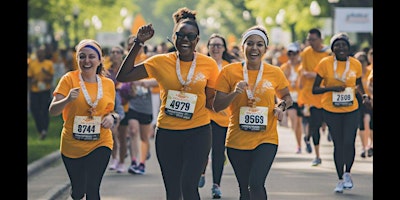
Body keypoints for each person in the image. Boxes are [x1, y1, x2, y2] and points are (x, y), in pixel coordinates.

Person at [116, 7, 219, 200]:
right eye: (181, 35)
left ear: (197, 40)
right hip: (168, 134)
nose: (185, 40)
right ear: (174, 37)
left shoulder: (209, 65)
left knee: (189, 188)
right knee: (173, 192)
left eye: (191, 36)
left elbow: (212, 101)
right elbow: (124, 75)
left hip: (198, 133)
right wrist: (138, 43)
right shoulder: (160, 62)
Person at [213, 25, 293, 200]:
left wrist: (280, 107)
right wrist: (235, 92)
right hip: (236, 141)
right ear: (242, 47)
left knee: (256, 184)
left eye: (259, 44)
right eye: (250, 43)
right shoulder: (229, 72)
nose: (254, 48)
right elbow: (217, 106)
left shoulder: (275, 72)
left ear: (265, 49)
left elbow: (287, 97)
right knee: (244, 190)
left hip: (266, 138)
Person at [48, 39, 116, 199]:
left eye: (92, 57)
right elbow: (53, 111)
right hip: (73, 145)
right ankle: (76, 192)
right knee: (78, 192)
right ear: (77, 59)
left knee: (93, 188)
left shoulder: (108, 84)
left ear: (100, 60)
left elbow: (110, 111)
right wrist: (66, 100)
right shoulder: (68, 79)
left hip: (101, 141)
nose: (87, 61)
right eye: (82, 56)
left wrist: (111, 118)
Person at [312, 32, 371, 193]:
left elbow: (358, 84)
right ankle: (339, 179)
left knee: (349, 142)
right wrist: (332, 88)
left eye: (344, 45)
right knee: (338, 144)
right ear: (333, 48)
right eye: (337, 45)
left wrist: (364, 96)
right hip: (331, 110)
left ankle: (347, 174)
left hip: (351, 109)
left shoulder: (356, 64)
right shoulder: (325, 64)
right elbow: (315, 89)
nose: (341, 48)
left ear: (348, 47)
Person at [198, 33, 234, 199]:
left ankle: (216, 185)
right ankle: (202, 172)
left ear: (224, 48)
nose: (216, 48)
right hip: (204, 114)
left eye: (219, 45)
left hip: (223, 116)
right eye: (212, 45)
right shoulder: (201, 64)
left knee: (219, 152)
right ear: (208, 47)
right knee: (203, 150)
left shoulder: (229, 67)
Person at [298, 28, 331, 166]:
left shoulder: (329, 53)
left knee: (330, 124)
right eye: (309, 39)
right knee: (314, 125)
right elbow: (304, 70)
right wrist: (307, 75)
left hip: (327, 95)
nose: (310, 42)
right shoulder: (306, 53)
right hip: (312, 95)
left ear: (320, 39)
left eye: (313, 39)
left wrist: (316, 76)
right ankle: (317, 155)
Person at [280, 42, 304, 154]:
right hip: (290, 98)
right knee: (294, 120)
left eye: (294, 53)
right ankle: (298, 145)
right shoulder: (284, 67)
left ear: (298, 53)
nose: (292, 56)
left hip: (302, 97)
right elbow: (281, 84)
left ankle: (303, 141)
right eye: (290, 54)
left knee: (299, 123)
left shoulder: (302, 66)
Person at [106, 45, 126, 170]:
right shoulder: (107, 71)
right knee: (113, 133)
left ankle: (122, 162)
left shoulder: (126, 69)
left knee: (122, 136)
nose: (114, 54)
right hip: (111, 105)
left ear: (121, 54)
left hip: (126, 105)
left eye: (117, 52)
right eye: (112, 52)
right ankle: (114, 158)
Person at [28, 47, 54, 140]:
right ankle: (40, 129)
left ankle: (44, 129)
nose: (40, 55)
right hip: (34, 91)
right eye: (38, 54)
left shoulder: (49, 64)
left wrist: (46, 73)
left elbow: (51, 78)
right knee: (35, 110)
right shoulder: (32, 64)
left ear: (44, 54)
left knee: (44, 110)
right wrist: (31, 86)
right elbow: (29, 77)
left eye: (41, 54)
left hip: (45, 90)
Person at [353, 51, 373, 158]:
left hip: (370, 100)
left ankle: (370, 144)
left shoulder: (371, 72)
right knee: (361, 123)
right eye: (358, 61)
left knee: (368, 121)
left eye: (362, 61)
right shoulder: (354, 72)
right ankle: (363, 146)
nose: (360, 63)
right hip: (358, 100)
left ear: (366, 62)